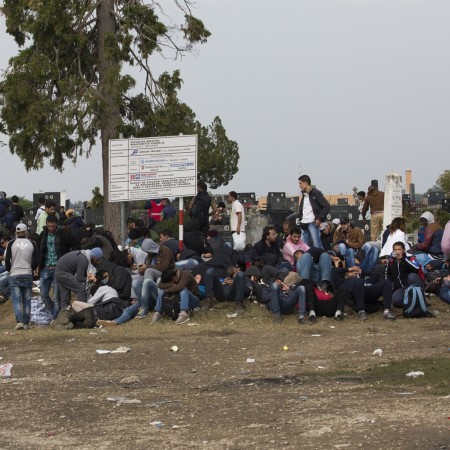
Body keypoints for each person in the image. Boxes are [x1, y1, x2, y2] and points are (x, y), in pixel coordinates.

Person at [4, 224, 39, 330]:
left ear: (16, 232)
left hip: (15, 274)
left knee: (16, 299)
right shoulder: (32, 243)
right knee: (27, 300)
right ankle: (26, 323)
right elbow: (37, 260)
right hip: (27, 274)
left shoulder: (11, 243)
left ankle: (19, 321)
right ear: (26, 232)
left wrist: (10, 269)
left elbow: (7, 259)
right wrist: (32, 268)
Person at [37, 214, 73, 318]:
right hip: (46, 267)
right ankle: (55, 313)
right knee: (43, 295)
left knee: (57, 297)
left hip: (59, 268)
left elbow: (72, 245)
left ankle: (55, 318)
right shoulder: (43, 234)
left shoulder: (63, 234)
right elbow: (40, 251)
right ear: (46, 225)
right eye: (49, 226)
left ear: (56, 225)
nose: (51, 228)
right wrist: (38, 265)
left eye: (53, 226)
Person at [386, 242, 424, 308]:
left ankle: (420, 298)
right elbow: (388, 275)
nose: (397, 251)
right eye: (395, 249)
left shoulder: (410, 258)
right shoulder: (391, 261)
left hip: (411, 285)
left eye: (399, 249)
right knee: (396, 301)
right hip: (400, 288)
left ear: (403, 250)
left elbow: (416, 268)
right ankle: (413, 302)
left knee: (412, 276)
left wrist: (403, 259)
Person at [297, 175, 330, 249]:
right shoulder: (304, 194)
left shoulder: (315, 193)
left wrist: (319, 219)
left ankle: (323, 259)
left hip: (312, 223)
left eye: (300, 183)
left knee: (317, 245)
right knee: (304, 247)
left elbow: (327, 206)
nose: (299, 186)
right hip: (304, 224)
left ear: (305, 183)